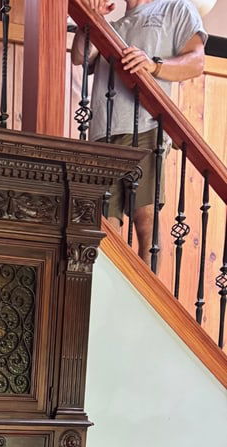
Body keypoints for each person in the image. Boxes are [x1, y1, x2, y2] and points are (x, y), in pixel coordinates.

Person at [72, 0, 207, 262]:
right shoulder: (110, 25)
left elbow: (196, 62)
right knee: (105, 227)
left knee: (145, 220)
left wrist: (154, 66)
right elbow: (79, 56)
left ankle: (149, 300)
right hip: (103, 133)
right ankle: (108, 299)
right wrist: (90, 18)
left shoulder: (175, 8)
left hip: (146, 125)